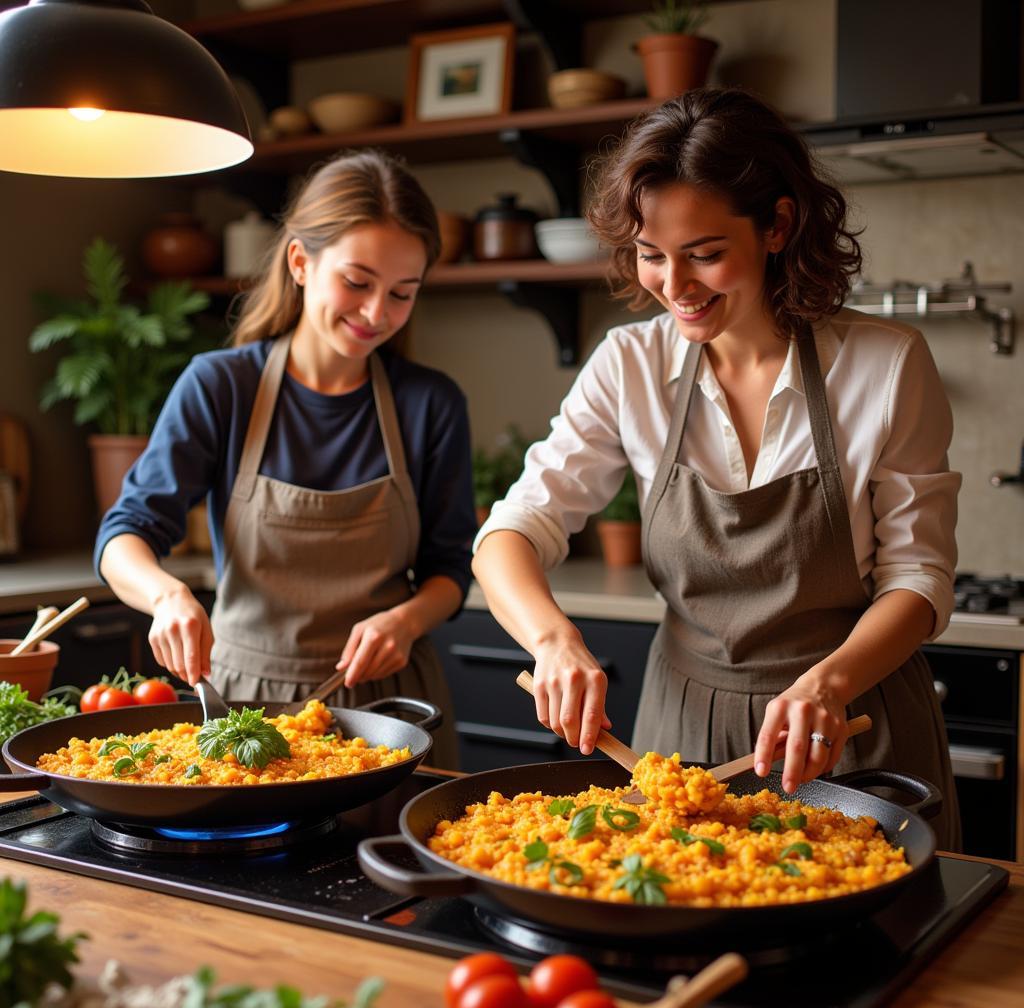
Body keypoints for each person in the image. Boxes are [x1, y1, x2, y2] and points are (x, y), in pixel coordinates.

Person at [472, 88, 962, 848]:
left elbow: (918, 576)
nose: (675, 286)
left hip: (848, 726)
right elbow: (513, 530)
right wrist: (552, 641)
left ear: (778, 225)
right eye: (650, 256)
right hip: (679, 731)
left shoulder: (886, 364)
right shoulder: (627, 366)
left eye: (704, 253)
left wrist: (828, 683)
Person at [96, 150, 476, 768]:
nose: (377, 313)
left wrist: (405, 621)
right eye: (357, 282)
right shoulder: (221, 386)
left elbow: (449, 569)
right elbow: (125, 534)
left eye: (402, 293)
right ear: (300, 261)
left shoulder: (430, 404)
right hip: (243, 713)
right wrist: (166, 597)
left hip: (389, 715)